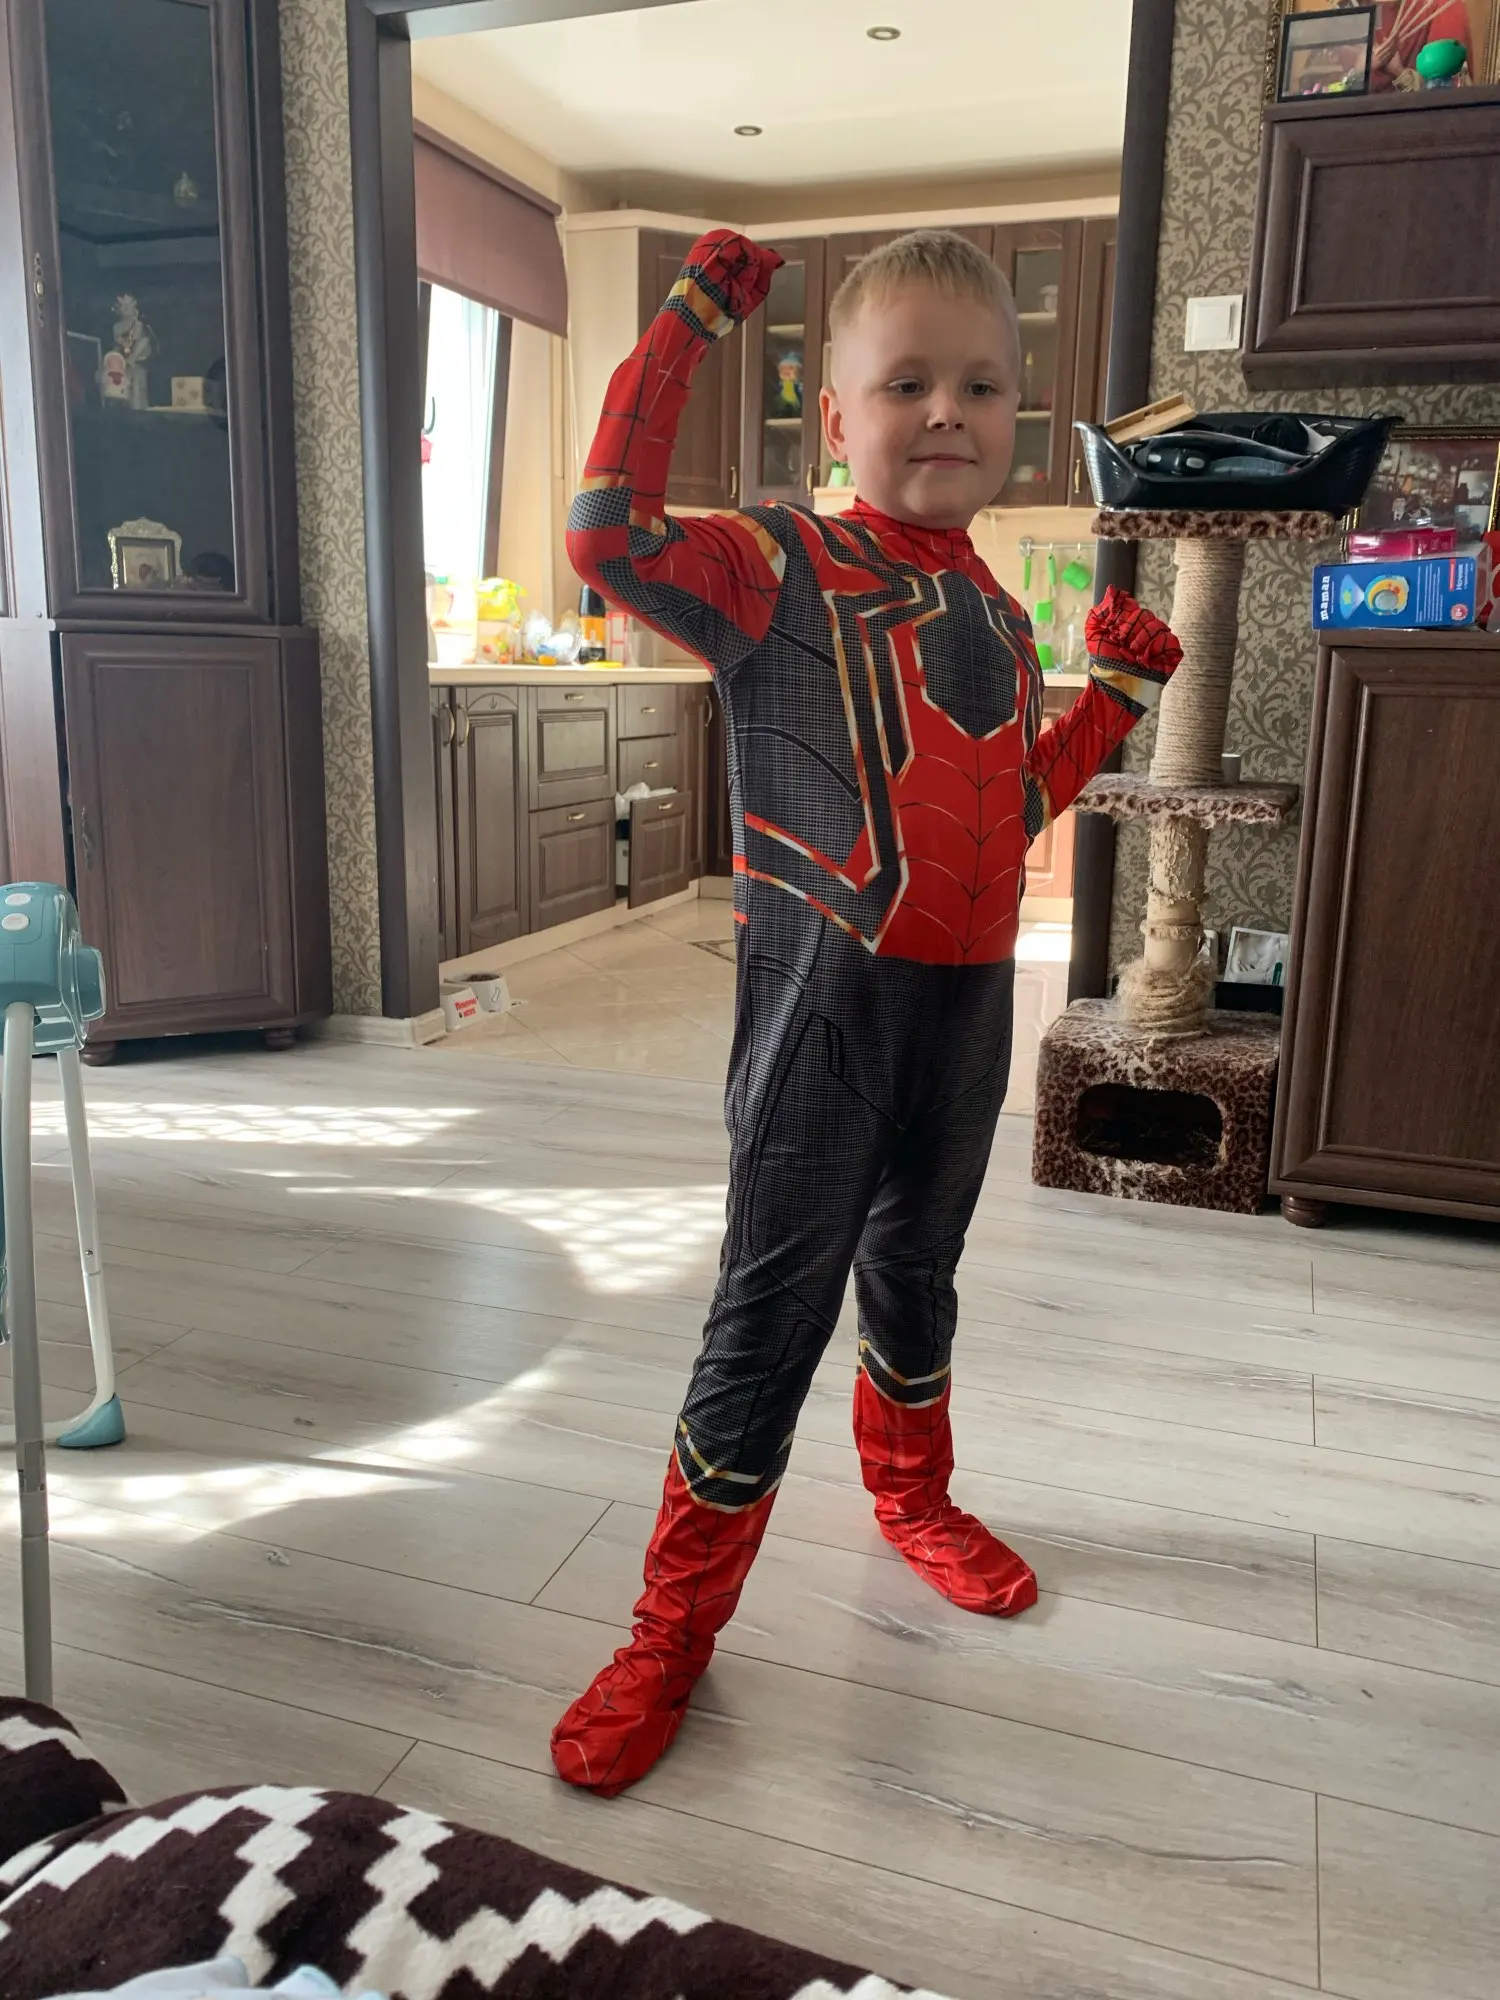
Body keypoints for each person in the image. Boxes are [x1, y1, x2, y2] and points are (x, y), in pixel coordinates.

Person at [553, 228, 1181, 1798]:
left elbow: (1001, 811)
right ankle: (669, 1634)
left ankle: (913, 1500)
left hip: (962, 1021)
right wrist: (684, 324)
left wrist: (1112, 705)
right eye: (905, 383)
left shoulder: (1004, 617)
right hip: (817, 1017)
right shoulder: (776, 565)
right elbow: (606, 538)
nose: (946, 410)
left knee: (917, 1277)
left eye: (981, 385)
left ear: (1019, 414)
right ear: (836, 417)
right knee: (767, 1317)